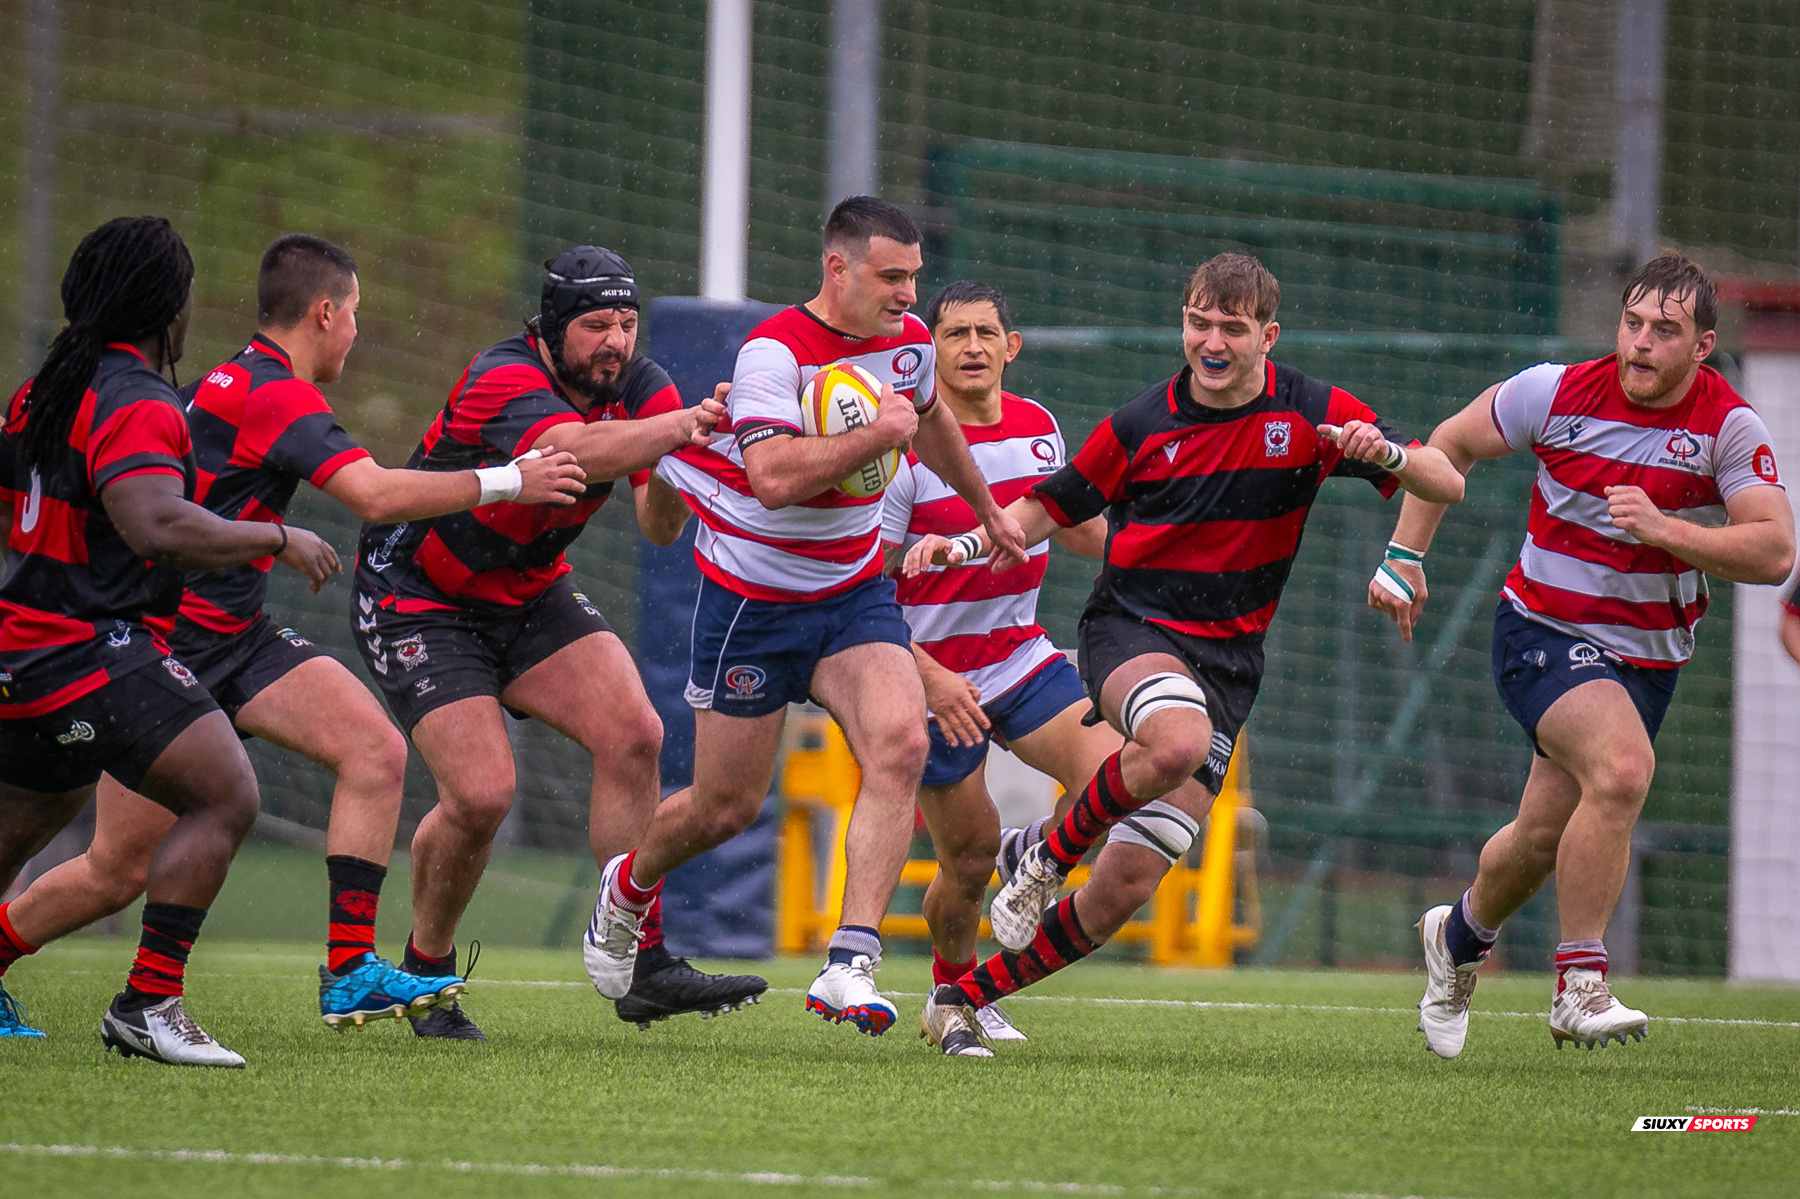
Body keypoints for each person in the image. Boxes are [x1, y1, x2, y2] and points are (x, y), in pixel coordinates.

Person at [0, 233, 588, 1035]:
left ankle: (348, 969)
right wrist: (509, 478)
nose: (356, 332)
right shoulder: (270, 391)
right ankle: (83, 986)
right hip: (170, 643)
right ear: (325, 312)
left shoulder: (229, 379)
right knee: (115, 868)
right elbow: (375, 494)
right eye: (355, 315)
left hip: (236, 634)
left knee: (373, 750)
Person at [907, 252, 1465, 1056]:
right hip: (1132, 629)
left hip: (1230, 667)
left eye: (1232, 328)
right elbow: (1046, 509)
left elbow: (1445, 479)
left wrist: (1384, 455)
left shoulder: (1311, 412)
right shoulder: (1140, 423)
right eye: (1198, 322)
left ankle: (962, 999)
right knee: (1175, 741)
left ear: (1267, 337)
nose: (1211, 340)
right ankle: (1042, 860)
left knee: (1126, 883)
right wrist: (965, 544)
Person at [1373, 252, 1794, 1057]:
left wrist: (1668, 528)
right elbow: (1448, 448)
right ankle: (1579, 983)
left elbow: (1775, 551)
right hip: (1541, 633)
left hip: (1648, 662)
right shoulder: (1554, 392)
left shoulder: (1728, 427)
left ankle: (1457, 936)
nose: (1640, 342)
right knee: (1625, 770)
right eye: (1632, 322)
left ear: (1703, 345)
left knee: (1539, 838)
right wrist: (1403, 559)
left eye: (1664, 330)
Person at [627, 197, 1029, 1036]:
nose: (910, 295)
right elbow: (773, 476)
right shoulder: (774, 353)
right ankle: (624, 890)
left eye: (915, 276)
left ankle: (851, 960)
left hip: (851, 593)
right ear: (836, 269)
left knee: (903, 742)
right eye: (893, 277)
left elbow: (930, 421)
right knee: (723, 807)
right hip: (754, 603)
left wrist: (987, 507)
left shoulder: (910, 344)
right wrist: (875, 430)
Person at [354, 246, 755, 1040]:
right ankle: (425, 974)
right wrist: (680, 426)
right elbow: (571, 449)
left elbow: (657, 523)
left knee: (636, 734)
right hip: (420, 595)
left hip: (528, 588)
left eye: (627, 323)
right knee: (481, 794)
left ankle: (635, 956)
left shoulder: (643, 386)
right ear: (550, 326)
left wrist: (690, 456)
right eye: (596, 324)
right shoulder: (503, 375)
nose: (615, 340)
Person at [0, 216, 336, 1063]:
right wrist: (272, 537)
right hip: (86, 650)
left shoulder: (44, 388)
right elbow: (150, 523)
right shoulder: (136, 397)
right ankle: (148, 1001)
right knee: (226, 795)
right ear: (164, 306)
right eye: (185, 294)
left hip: (21, 645)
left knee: (28, 821)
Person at [878, 280, 1116, 1044]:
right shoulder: (901, 445)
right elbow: (856, 585)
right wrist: (925, 675)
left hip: (1019, 653)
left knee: (1117, 780)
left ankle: (1035, 853)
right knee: (970, 858)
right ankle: (957, 995)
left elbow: (1072, 524)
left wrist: (1157, 555)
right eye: (954, 334)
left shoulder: (1038, 426)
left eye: (986, 332)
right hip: (925, 673)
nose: (973, 346)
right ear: (930, 351)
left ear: (1011, 347)